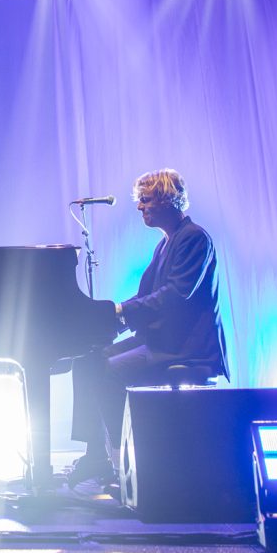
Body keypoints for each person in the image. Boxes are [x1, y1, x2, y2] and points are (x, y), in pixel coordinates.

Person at [68, 168, 229, 488]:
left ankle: (125, 461)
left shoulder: (194, 238)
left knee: (108, 372)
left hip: (187, 347)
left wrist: (120, 312)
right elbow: (148, 295)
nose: (140, 206)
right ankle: (95, 454)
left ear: (169, 199)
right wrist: (110, 319)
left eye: (146, 200)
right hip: (163, 340)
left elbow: (175, 294)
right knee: (86, 361)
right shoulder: (166, 243)